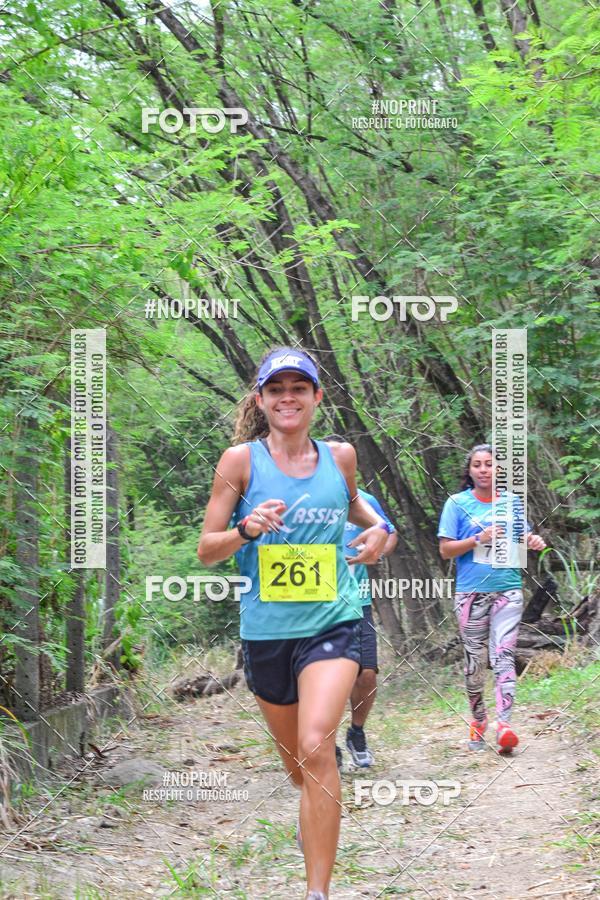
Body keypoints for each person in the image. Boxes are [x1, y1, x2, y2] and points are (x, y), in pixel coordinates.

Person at [197, 347, 389, 900]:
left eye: (298, 388)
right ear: (260, 400)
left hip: (333, 621)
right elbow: (207, 549)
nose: (288, 398)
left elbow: (359, 510)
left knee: (316, 745)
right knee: (300, 771)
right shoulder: (239, 462)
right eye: (276, 389)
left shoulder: (341, 456)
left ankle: (317, 892)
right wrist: (247, 530)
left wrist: (382, 530)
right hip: (267, 633)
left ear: (316, 397)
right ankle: (314, 815)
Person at [437, 444, 546, 753]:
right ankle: (479, 720)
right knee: (475, 663)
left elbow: (522, 537)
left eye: (489, 464)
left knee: (503, 656)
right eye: (478, 464)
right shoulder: (457, 504)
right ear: (469, 470)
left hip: (508, 589)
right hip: (471, 593)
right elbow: (445, 550)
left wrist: (532, 541)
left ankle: (504, 725)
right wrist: (477, 539)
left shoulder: (512, 502)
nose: (484, 469)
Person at [323, 435, 398, 768]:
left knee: (366, 674)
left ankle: (356, 732)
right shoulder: (304, 501)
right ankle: (326, 743)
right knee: (323, 678)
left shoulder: (364, 500)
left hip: (357, 600)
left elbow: (389, 532)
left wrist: (377, 549)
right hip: (315, 605)